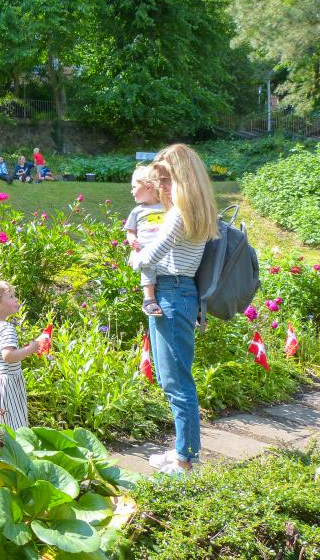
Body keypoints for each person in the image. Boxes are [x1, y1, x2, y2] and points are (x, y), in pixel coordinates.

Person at [129, 143, 219, 475]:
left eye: (165, 180)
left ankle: (185, 461)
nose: (161, 187)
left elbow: (147, 258)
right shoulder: (195, 209)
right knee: (174, 379)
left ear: (182, 178)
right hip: (178, 292)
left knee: (176, 381)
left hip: (171, 293)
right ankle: (182, 449)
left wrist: (134, 255)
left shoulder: (181, 213)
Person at [0, 280, 43, 430]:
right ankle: (14, 452)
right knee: (12, 424)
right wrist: (30, 349)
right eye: (11, 297)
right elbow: (8, 356)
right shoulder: (6, 328)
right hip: (7, 384)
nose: (16, 299)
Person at [125, 165, 165, 316]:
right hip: (144, 250)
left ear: (148, 187)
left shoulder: (167, 207)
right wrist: (132, 240)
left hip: (164, 249)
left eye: (134, 187)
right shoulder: (137, 211)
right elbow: (130, 230)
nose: (131, 191)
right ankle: (149, 299)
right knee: (148, 269)